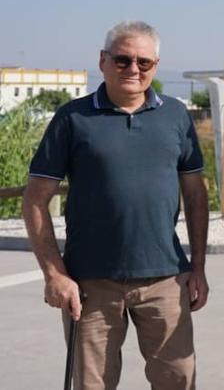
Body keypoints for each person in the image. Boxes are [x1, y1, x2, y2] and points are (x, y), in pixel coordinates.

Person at [22, 20, 209, 390]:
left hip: (166, 280)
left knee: (178, 381)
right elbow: (34, 200)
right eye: (123, 60)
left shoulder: (175, 116)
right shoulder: (71, 118)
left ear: (156, 65)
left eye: (144, 62)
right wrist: (54, 274)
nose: (133, 69)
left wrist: (198, 267)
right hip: (90, 283)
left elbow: (196, 196)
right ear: (103, 61)